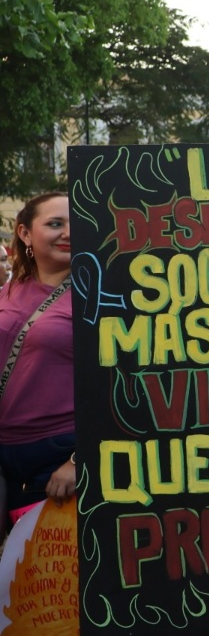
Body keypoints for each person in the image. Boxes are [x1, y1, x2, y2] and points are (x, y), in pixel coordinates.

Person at [0, 192, 76, 516]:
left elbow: (118, 382)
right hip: (4, 457)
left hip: (59, 458)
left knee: (48, 564)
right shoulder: (11, 287)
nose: (69, 233)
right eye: (55, 224)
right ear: (25, 233)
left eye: (77, 223)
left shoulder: (101, 295)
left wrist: (79, 462)